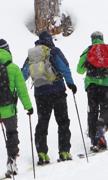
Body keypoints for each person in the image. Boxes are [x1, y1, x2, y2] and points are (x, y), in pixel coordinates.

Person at [0, 39, 33, 180]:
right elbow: (22, 91)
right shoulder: (14, 68)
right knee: (11, 134)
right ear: (8, 50)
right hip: (8, 109)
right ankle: (11, 163)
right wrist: (28, 107)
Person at [21, 31, 76, 164]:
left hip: (40, 93)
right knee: (62, 121)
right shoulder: (54, 51)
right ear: (50, 40)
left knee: (42, 122)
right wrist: (70, 83)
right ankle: (64, 151)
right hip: (57, 91)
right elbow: (65, 68)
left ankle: (42, 153)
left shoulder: (33, 55)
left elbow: (23, 74)